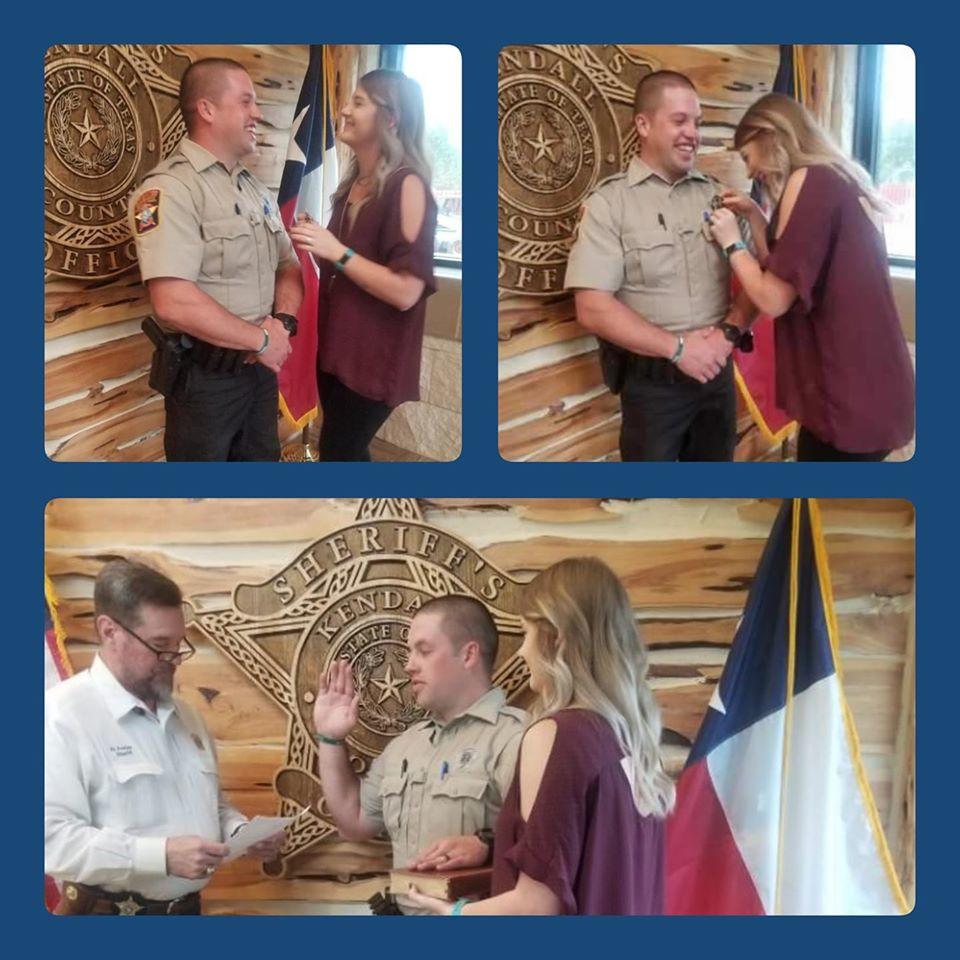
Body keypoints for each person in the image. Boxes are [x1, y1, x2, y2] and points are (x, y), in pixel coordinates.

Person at [408, 557, 673, 915]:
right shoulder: (630, 742)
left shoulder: (558, 736)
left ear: (555, 637)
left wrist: (451, 912)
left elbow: (537, 904)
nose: (521, 651)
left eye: (526, 634)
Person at [45, 560, 285, 915]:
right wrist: (160, 856)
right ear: (109, 630)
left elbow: (210, 805)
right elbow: (52, 842)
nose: (174, 659)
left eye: (178, 643)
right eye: (159, 645)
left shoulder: (187, 717)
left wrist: (240, 834)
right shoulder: (60, 714)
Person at [707, 93, 915, 461]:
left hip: (848, 398)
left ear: (770, 134)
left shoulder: (810, 180)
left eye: (746, 157)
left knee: (819, 512)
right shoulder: (840, 178)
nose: (749, 171)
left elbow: (773, 298)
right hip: (874, 389)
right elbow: (792, 270)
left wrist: (731, 243)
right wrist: (756, 217)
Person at [565, 70, 756, 461]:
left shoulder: (720, 198)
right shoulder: (609, 205)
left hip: (718, 378)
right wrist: (679, 349)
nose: (692, 133)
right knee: (650, 510)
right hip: (654, 389)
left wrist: (727, 335)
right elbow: (592, 307)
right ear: (644, 124)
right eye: (679, 120)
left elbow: (758, 280)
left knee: (714, 502)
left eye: (697, 123)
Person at [128, 57, 303, 461]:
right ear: (207, 109)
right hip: (206, 384)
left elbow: (288, 265)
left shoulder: (255, 190)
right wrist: (262, 339)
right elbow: (173, 301)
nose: (257, 113)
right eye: (246, 101)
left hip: (260, 375)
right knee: (201, 506)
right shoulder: (169, 190)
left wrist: (283, 324)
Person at [311, 596, 526, 914]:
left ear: (468, 654)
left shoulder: (518, 738)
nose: (409, 664)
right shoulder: (405, 746)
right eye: (410, 651)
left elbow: (550, 847)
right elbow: (354, 821)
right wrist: (329, 738)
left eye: (423, 651)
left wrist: (488, 845)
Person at [288, 70, 438, 461]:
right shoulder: (352, 186)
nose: (343, 110)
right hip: (335, 349)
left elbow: (406, 292)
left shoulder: (408, 185)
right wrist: (319, 244)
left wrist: (337, 251)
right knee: (342, 449)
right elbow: (349, 271)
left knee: (342, 449)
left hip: (374, 359)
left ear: (390, 119)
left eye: (358, 102)